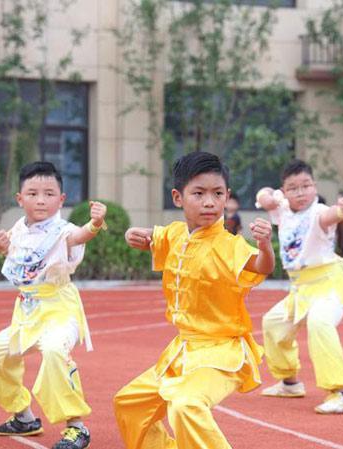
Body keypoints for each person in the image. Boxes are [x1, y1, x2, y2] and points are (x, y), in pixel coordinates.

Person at [113, 151, 275, 449]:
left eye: (217, 194)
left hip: (221, 353)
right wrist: (132, 234)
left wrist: (265, 246)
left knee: (186, 404)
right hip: (183, 351)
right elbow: (153, 237)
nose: (209, 202)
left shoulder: (230, 246)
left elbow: (262, 266)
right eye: (199, 194)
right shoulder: (175, 234)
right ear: (178, 197)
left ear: (227, 197)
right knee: (129, 403)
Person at [0, 161, 106, 449]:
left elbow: (80, 236)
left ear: (61, 199)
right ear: (20, 199)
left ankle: (77, 427)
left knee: (53, 351)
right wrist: (0, 248)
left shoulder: (63, 230)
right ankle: (23, 417)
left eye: (49, 194)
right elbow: (14, 257)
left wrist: (96, 224)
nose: (40, 200)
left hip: (60, 310)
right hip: (28, 314)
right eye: (33, 193)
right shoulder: (19, 228)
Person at [256, 159, 343, 414]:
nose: (300, 193)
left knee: (319, 323)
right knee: (273, 324)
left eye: (306, 186)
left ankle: (339, 393)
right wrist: (267, 197)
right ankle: (290, 383)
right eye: (293, 188)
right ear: (284, 191)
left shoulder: (320, 213)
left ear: (315, 187)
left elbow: (334, 215)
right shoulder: (282, 209)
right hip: (300, 290)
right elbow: (263, 195)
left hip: (328, 285)